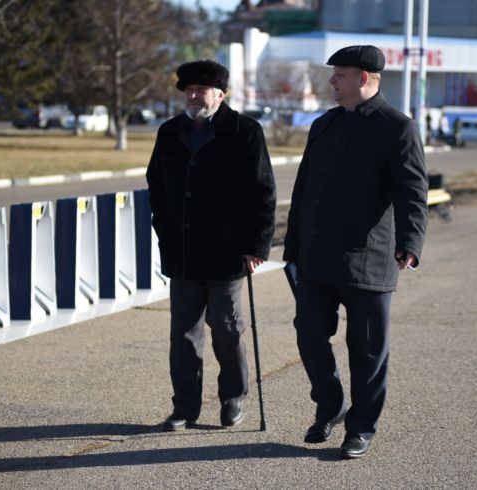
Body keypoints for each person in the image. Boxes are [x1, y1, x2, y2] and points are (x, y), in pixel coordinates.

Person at [283, 45, 428, 459]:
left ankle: (360, 427)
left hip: (370, 258)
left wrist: (410, 243)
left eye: (340, 75)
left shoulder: (397, 127)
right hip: (316, 257)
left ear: (364, 78)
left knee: (366, 350)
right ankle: (330, 404)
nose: (332, 81)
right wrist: (293, 246)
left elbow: (413, 193)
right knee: (309, 334)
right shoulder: (324, 124)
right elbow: (304, 190)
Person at [146, 60, 276, 431]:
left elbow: (263, 191)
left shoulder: (245, 131)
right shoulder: (170, 132)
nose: (192, 96)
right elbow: (156, 184)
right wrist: (165, 226)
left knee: (227, 329)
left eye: (200, 90)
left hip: (228, 254)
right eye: (187, 90)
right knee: (184, 336)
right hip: (183, 253)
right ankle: (184, 407)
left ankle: (233, 398)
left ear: (220, 94)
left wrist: (257, 246)